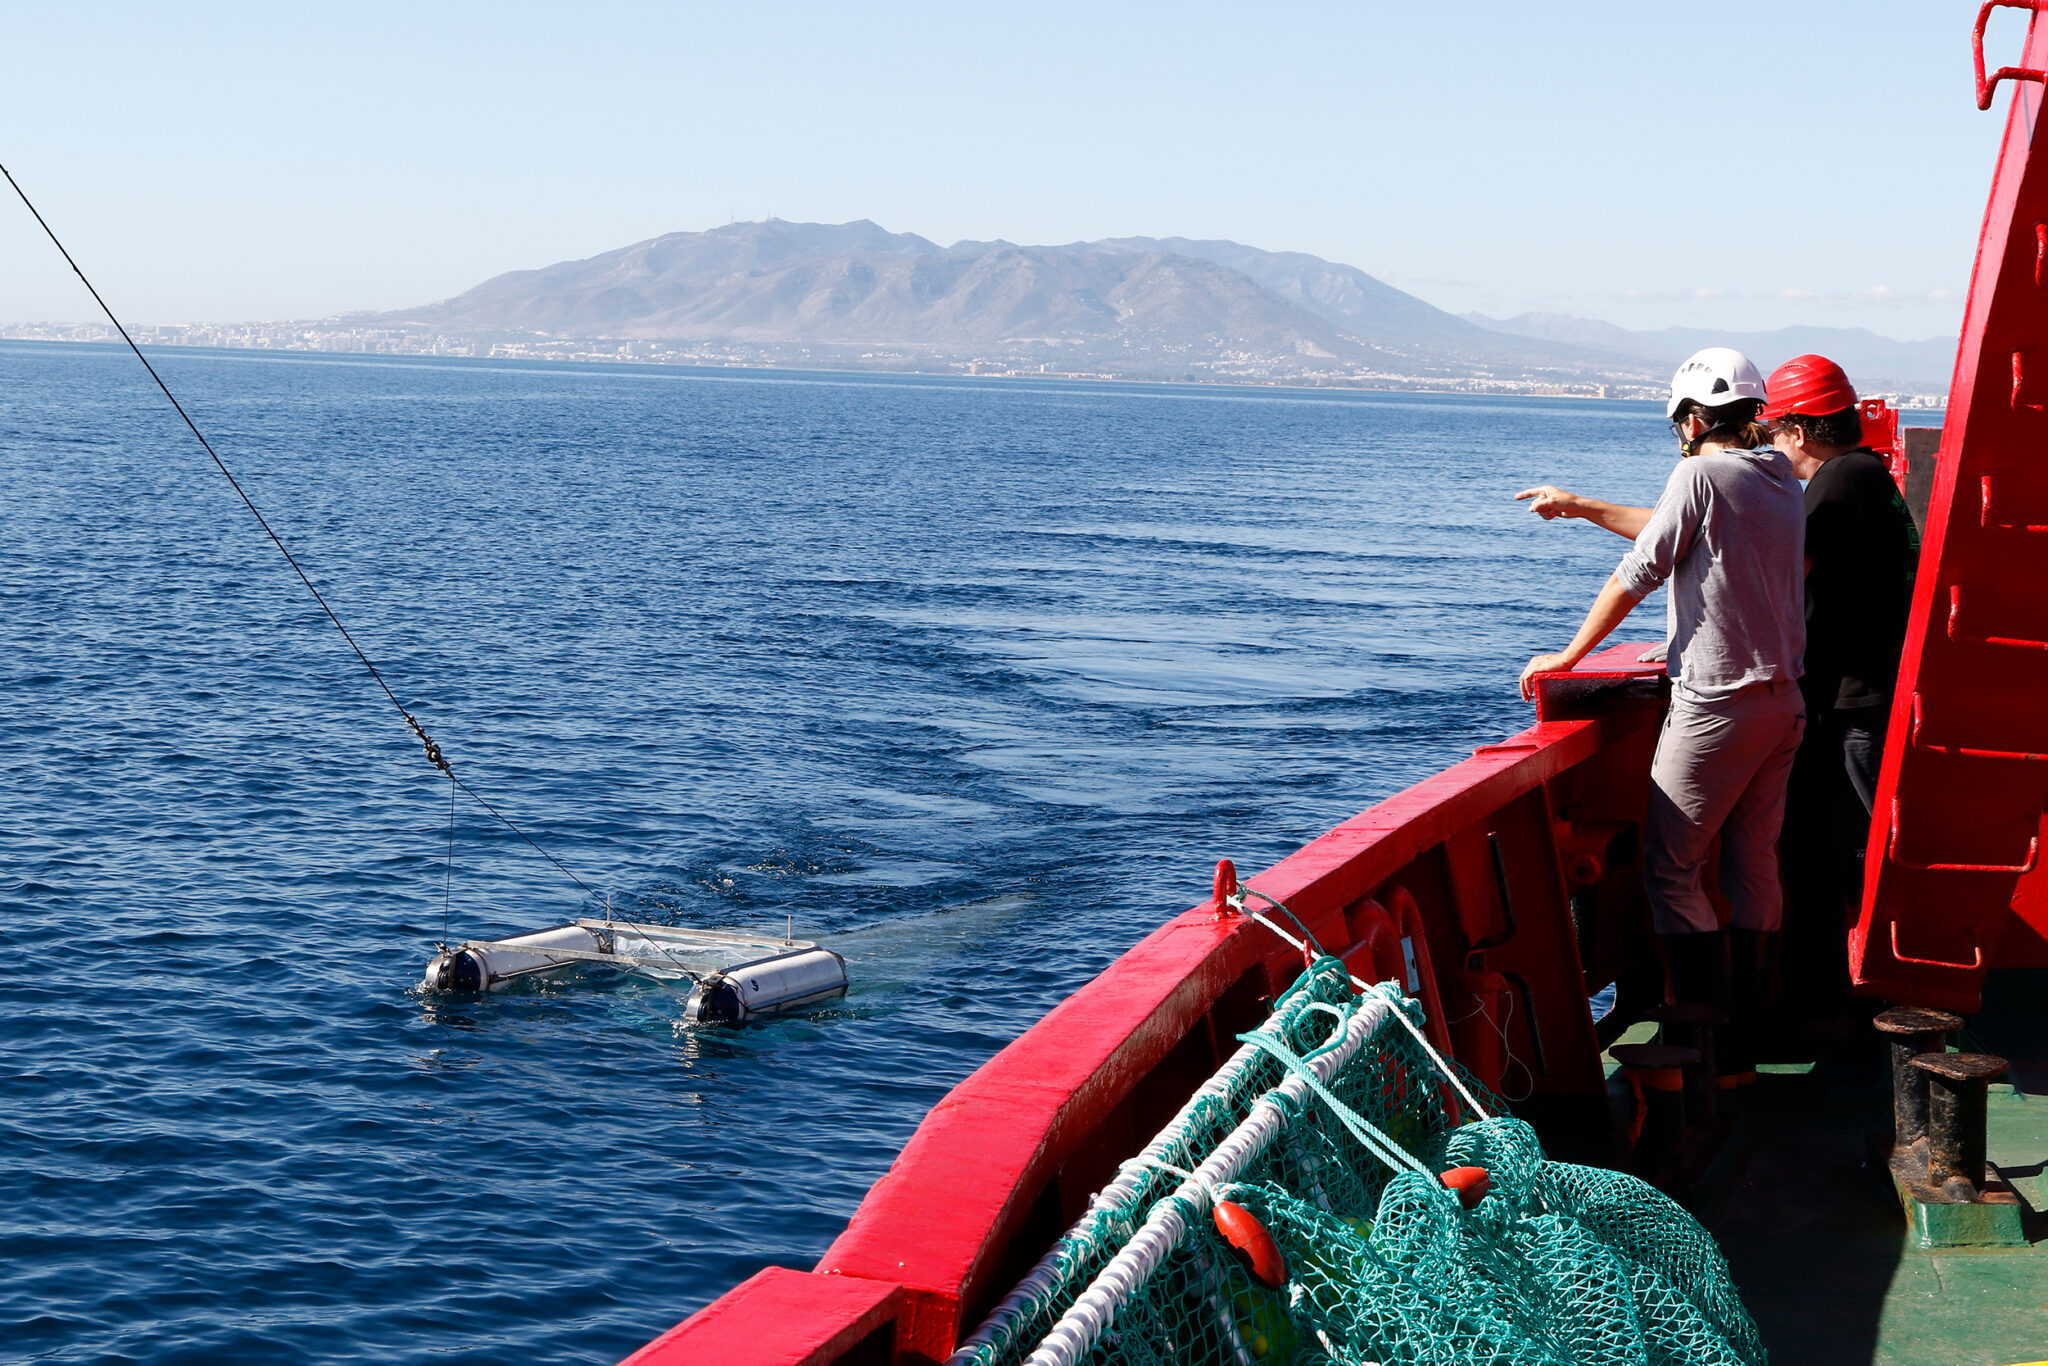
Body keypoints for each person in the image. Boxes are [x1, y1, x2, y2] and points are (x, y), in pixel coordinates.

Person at [1516, 348, 1807, 1077]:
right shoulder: (1778, 477)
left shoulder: (1699, 475)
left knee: (1672, 870)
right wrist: (1583, 506)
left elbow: (1642, 568)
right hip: (1783, 704)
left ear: (1693, 420)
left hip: (1717, 707)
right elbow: (1677, 530)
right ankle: (1743, 1043)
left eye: (1679, 421)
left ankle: (1708, 1043)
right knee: (1754, 865)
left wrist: (1568, 655)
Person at [1760, 355, 1920, 1016]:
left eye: (1773, 433)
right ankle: (1862, 994)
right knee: (1848, 846)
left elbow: (1774, 568)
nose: (1771, 447)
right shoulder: (1869, 474)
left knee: (1846, 851)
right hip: (1870, 691)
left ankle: (1859, 1001)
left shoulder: (1837, 480)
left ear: (1798, 431)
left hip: (1852, 703)